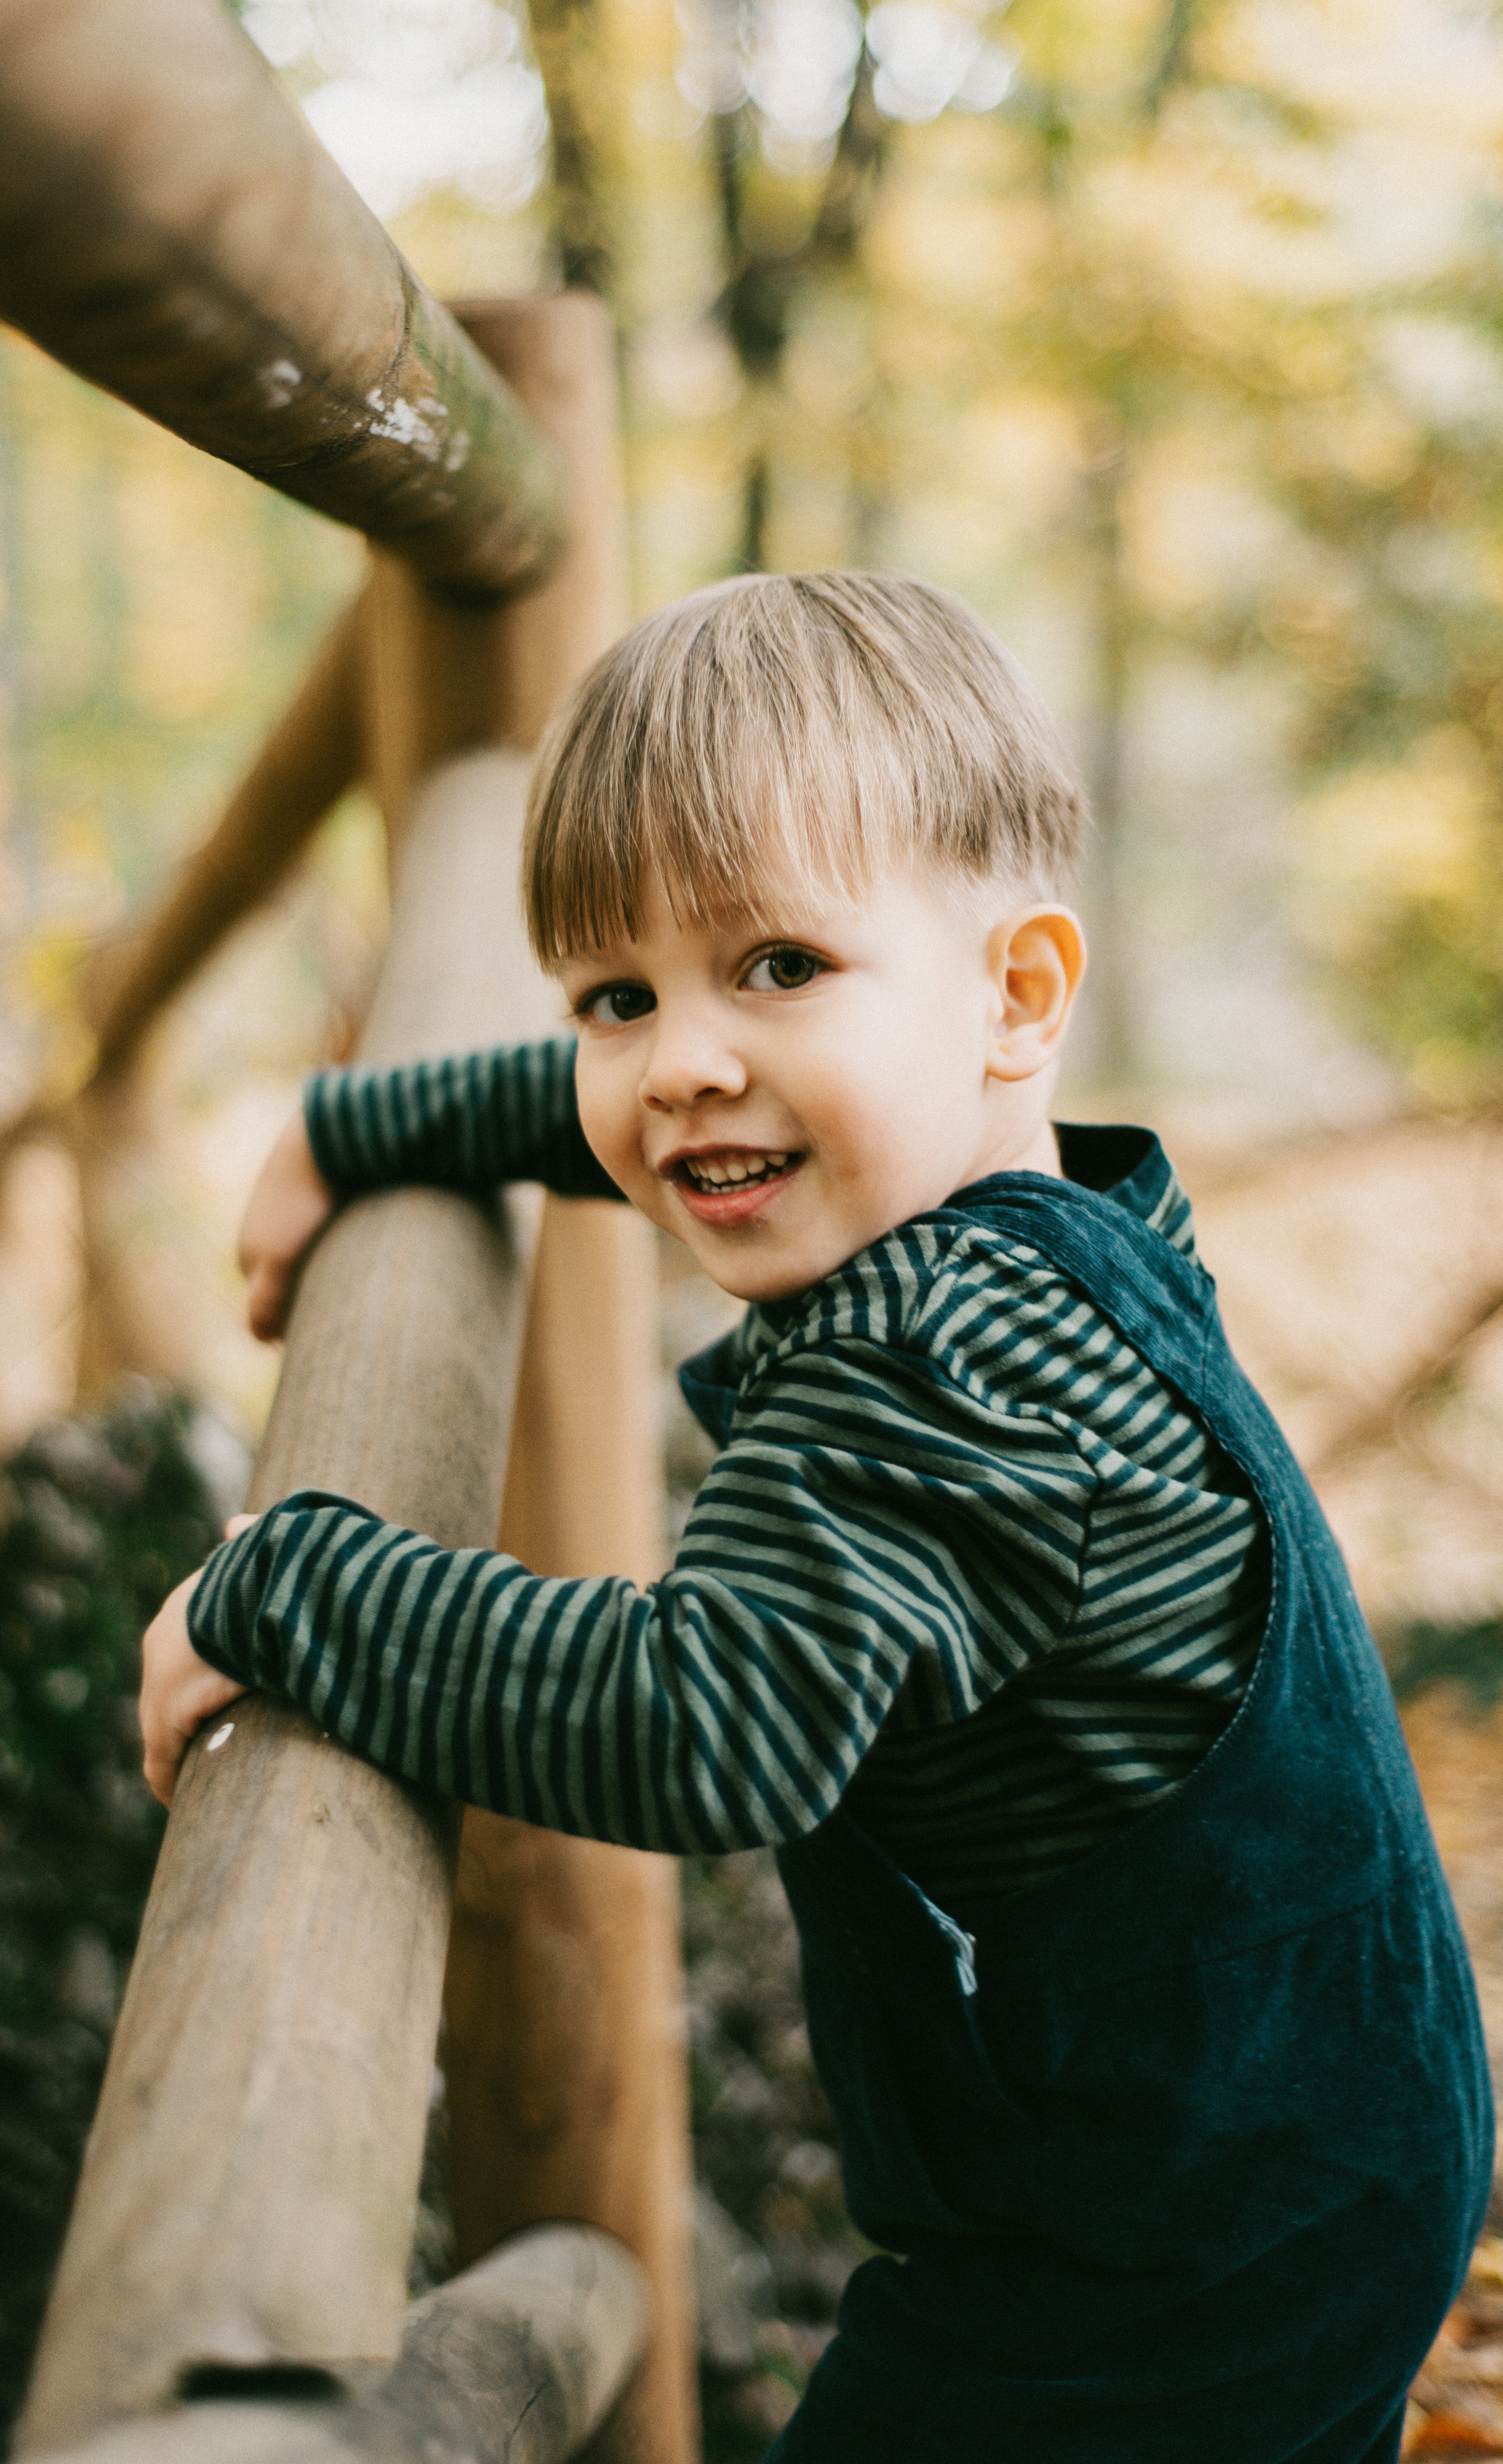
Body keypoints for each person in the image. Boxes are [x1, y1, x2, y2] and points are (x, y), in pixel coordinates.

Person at [140, 571, 1491, 2462]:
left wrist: (297, 1579)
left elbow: (701, 1720)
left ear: (1014, 993)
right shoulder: (1043, 1229)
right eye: (618, 992)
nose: (683, 1055)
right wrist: (377, 1126)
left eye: (777, 964)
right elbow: (685, 1102)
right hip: (1308, 2129)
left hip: (1161, 2241)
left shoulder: (936, 1365)